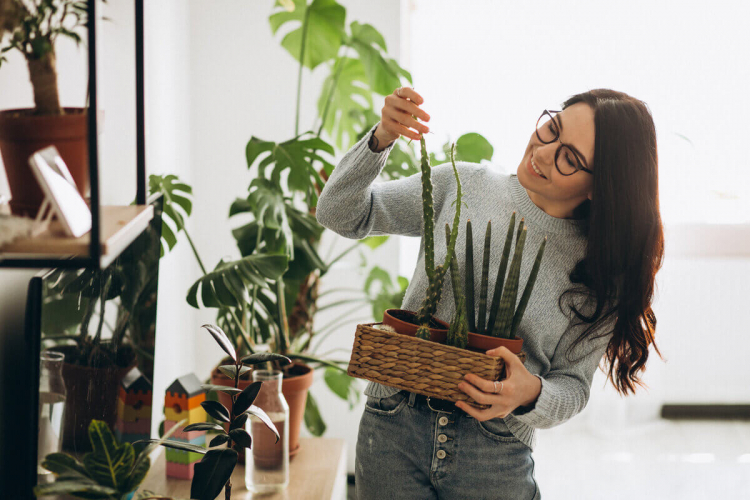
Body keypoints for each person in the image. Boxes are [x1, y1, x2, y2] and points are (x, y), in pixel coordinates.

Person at [315, 87, 665, 499]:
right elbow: (339, 212)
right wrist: (381, 139)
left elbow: (573, 385)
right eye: (551, 129)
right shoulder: (464, 184)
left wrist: (529, 392)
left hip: (494, 451)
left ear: (600, 187)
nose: (544, 150)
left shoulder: (602, 270)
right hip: (394, 424)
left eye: (570, 158)